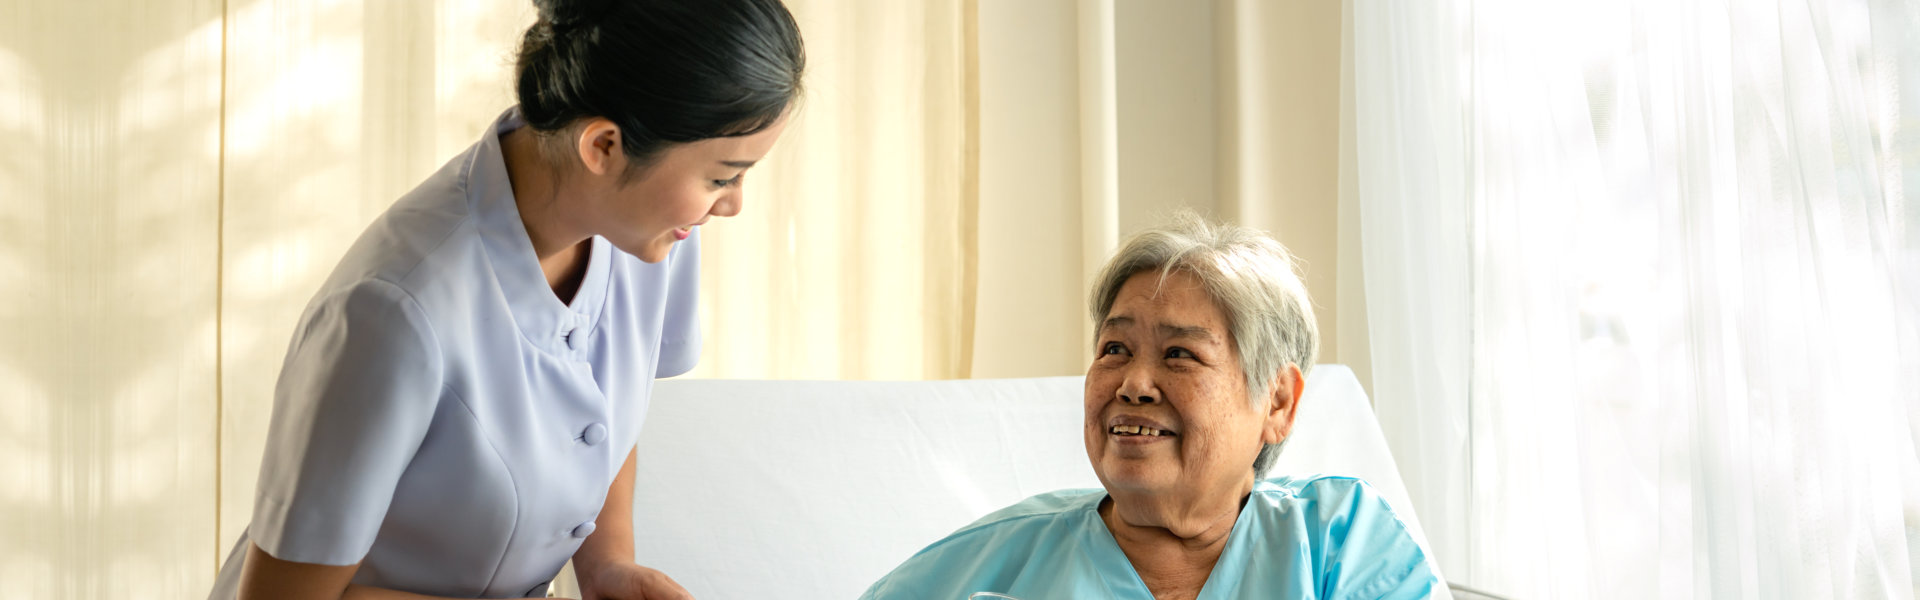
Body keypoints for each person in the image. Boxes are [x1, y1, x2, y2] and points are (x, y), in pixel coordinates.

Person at [206, 1, 804, 598]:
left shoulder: (646, 225)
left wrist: (608, 565)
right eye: (722, 177)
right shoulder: (393, 311)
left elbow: (598, 416)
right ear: (603, 146)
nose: (731, 205)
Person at [860, 213, 1444, 600]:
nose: (1134, 383)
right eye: (1114, 348)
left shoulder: (1338, 541)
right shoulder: (990, 567)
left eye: (1179, 354)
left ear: (1278, 401)